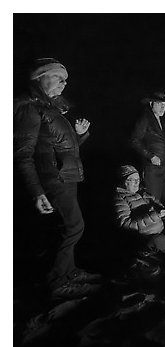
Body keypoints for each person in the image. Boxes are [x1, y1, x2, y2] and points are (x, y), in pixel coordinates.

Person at [13, 57, 102, 300]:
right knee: (74, 227)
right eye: (58, 77)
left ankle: (69, 272)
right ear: (38, 77)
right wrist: (36, 191)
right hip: (53, 179)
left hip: (66, 176)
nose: (63, 83)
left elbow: (62, 147)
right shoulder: (30, 108)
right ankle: (58, 281)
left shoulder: (52, 109)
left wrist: (79, 135)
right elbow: (23, 155)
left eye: (65, 80)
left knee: (68, 227)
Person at [131, 91, 165, 204]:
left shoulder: (162, 120)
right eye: (159, 104)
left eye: (164, 105)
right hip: (152, 168)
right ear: (151, 104)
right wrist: (150, 156)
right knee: (154, 200)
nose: (163, 108)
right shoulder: (145, 119)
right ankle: (153, 221)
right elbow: (134, 140)